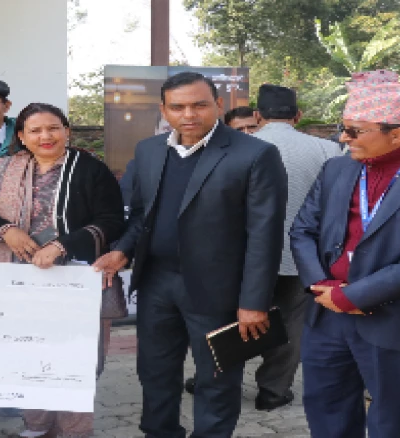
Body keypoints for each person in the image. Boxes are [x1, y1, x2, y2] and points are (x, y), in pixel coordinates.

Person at [93, 72, 287, 437]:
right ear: (164, 109)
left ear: (218, 104)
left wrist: (253, 302)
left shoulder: (255, 154)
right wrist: (122, 251)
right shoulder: (150, 151)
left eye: (199, 105)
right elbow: (141, 216)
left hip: (218, 290)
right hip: (157, 283)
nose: (189, 114)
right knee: (154, 372)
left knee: (217, 378)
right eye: (178, 107)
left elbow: (265, 234)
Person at [0, 103, 125, 438]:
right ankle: (37, 425)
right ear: (22, 136)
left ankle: (74, 431)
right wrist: (6, 231)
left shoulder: (90, 169)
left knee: (75, 357)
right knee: (30, 351)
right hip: (21, 281)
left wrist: (63, 245)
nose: (46, 136)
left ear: (67, 131)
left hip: (75, 280)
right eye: (35, 130)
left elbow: (112, 220)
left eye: (53, 128)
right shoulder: (5, 168)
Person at [182, 85, 340, 408]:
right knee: (291, 324)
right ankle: (273, 391)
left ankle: (213, 380)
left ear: (257, 115)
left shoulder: (238, 148)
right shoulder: (328, 150)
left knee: (227, 319)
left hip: (241, 256)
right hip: (301, 256)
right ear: (298, 115)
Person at [291, 70, 400, 438]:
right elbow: (303, 230)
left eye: (354, 130)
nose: (342, 138)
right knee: (326, 412)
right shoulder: (337, 168)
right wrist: (321, 284)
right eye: (343, 128)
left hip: (393, 318)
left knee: (392, 421)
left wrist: (357, 295)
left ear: (396, 134)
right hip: (327, 313)